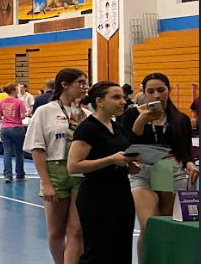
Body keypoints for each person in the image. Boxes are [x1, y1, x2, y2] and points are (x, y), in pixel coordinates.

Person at [120, 72, 199, 258]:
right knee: (149, 226)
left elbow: (185, 149)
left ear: (168, 91)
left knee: (168, 226)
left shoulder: (180, 119)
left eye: (161, 90)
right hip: (142, 171)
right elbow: (125, 146)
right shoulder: (131, 115)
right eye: (151, 91)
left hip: (173, 171)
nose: (156, 95)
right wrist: (140, 122)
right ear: (144, 92)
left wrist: (189, 163)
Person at [68, 82, 140, 264]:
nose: (122, 102)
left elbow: (119, 158)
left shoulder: (117, 127)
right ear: (99, 101)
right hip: (96, 196)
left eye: (123, 97)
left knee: (122, 250)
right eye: (116, 98)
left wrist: (129, 165)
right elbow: (74, 166)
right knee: (98, 253)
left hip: (121, 193)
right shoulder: (88, 128)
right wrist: (110, 160)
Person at [25, 68, 89, 264]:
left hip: (80, 173)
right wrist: (46, 182)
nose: (84, 88)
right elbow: (36, 148)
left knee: (77, 230)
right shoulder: (44, 111)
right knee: (56, 232)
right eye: (80, 83)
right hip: (55, 171)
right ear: (64, 84)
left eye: (86, 83)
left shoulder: (85, 114)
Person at [0, 83, 28, 183]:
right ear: (14, 91)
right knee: (19, 152)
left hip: (5, 128)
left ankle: (8, 175)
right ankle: (20, 174)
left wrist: (6, 118)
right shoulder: (19, 102)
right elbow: (23, 116)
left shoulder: (1, 102)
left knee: (7, 152)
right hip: (17, 128)